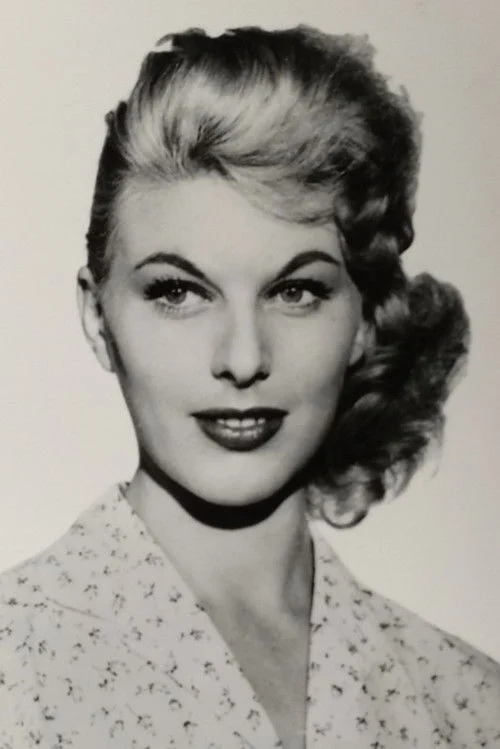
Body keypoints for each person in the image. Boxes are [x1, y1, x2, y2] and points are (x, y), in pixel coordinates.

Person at [0, 24, 499, 749]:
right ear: (98, 317)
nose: (242, 358)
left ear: (364, 319)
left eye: (296, 291)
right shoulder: (13, 669)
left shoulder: (467, 706)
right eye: (178, 292)